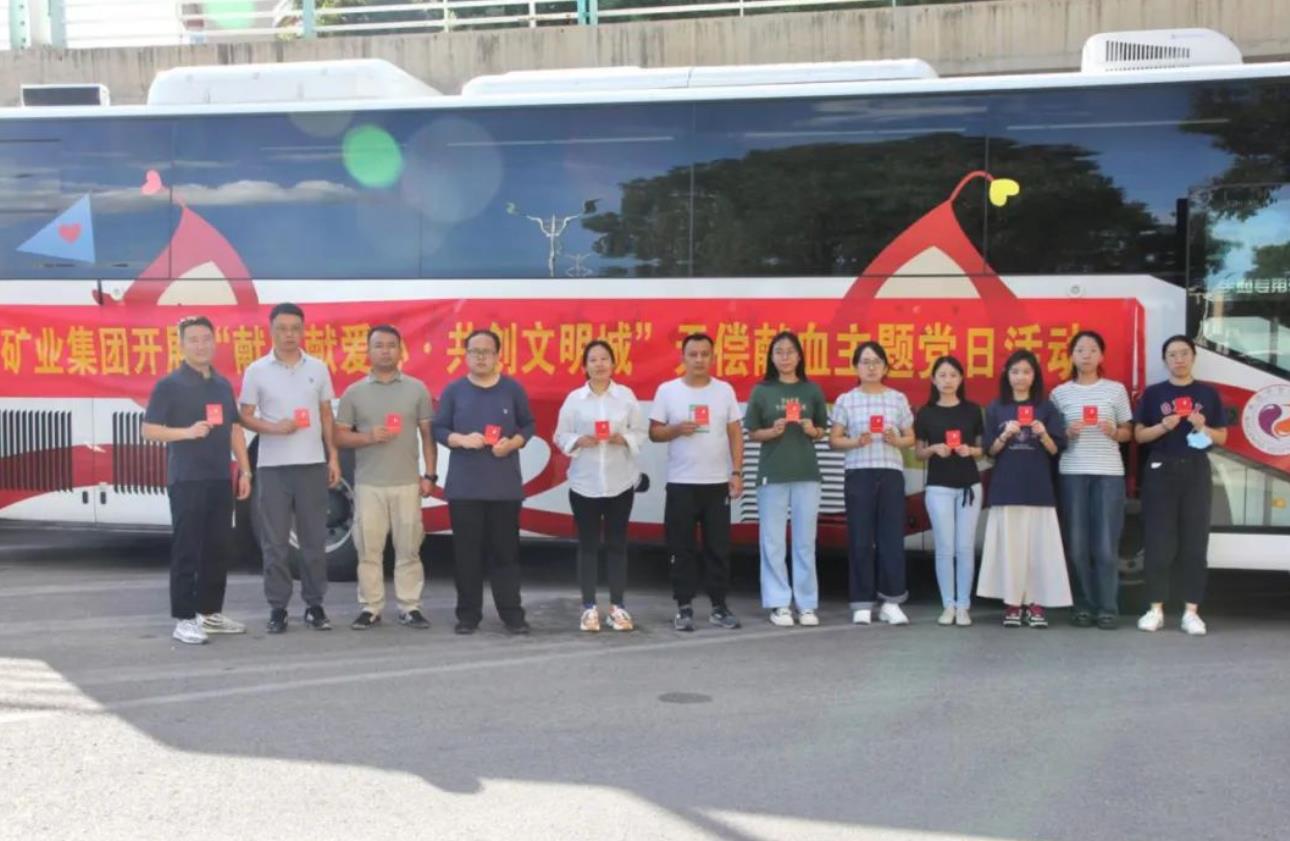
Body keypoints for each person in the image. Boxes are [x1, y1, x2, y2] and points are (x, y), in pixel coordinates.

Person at [142, 315, 252, 645]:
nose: (201, 345)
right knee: (187, 549)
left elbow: (234, 429)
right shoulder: (169, 385)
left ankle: (209, 613)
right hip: (186, 479)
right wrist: (186, 432)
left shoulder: (221, 384)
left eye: (206, 339)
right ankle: (184, 619)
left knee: (218, 548)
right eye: (193, 340)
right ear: (181, 345)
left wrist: (245, 470)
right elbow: (149, 430)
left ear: (215, 342)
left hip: (219, 478)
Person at [239, 302, 341, 634]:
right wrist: (273, 428)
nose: (289, 335)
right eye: (282, 329)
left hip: (311, 465)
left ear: (303, 330)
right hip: (273, 468)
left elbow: (326, 414)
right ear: (271, 331)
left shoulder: (318, 368)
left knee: (314, 541)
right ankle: (278, 607)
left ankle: (315, 605)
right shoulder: (257, 370)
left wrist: (333, 456)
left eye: (295, 328)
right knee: (275, 542)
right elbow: (244, 416)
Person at [433, 328, 534, 636]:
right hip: (465, 489)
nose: (480, 357)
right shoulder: (454, 391)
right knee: (467, 556)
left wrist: (513, 443)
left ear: (497, 356)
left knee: (506, 555)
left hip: (504, 489)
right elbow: (438, 428)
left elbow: (528, 425)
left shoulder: (512, 389)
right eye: (474, 352)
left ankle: (512, 615)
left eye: (486, 352)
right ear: (465, 356)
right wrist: (461, 439)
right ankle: (468, 615)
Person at [335, 325, 436, 631]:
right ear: (368, 351)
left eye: (391, 345)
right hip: (369, 485)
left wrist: (429, 475)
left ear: (400, 350)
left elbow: (427, 435)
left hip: (407, 483)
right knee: (368, 550)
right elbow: (339, 437)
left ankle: (410, 606)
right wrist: (368, 437)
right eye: (378, 345)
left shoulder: (417, 389)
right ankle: (370, 607)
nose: (385, 351)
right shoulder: (354, 393)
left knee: (409, 549)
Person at [649, 333, 744, 632]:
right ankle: (684, 606)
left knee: (718, 548)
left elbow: (735, 433)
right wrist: (676, 429)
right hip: (682, 483)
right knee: (682, 548)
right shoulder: (668, 391)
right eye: (693, 354)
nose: (699, 359)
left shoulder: (724, 391)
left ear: (713, 357)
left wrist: (737, 472)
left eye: (705, 354)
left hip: (716, 483)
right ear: (683, 358)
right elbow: (654, 433)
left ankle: (719, 606)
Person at [1133, 335, 1227, 636]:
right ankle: (1155, 609)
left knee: (1194, 544)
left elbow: (1222, 437)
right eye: (1172, 354)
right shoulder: (1154, 394)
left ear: (1193, 356)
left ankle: (1191, 612)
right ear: (1165, 360)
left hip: (1196, 469)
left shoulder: (1208, 393)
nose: (1179, 359)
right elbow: (1139, 436)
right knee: (1158, 543)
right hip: (1160, 469)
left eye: (1184, 353)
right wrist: (1163, 426)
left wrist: (1203, 426)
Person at [553, 340, 648, 632]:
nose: (599, 364)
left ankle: (618, 607)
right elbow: (560, 435)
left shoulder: (626, 397)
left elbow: (640, 431)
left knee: (618, 544)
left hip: (620, 483)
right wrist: (578, 441)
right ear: (585, 366)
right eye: (593, 360)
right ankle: (588, 608)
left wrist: (625, 439)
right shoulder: (575, 399)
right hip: (585, 484)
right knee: (588, 546)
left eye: (604, 358)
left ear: (613, 363)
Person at [977, 349, 1070, 628]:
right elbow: (990, 451)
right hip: (1007, 488)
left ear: (1034, 376)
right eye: (1015, 371)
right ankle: (1012, 603)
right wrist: (1005, 434)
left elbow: (1055, 450)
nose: (1020, 377)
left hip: (1038, 488)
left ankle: (1037, 603)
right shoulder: (996, 407)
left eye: (1026, 372)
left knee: (1039, 549)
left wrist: (1042, 433)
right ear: (1007, 375)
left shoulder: (1046, 408)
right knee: (1011, 549)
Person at [744, 331, 828, 627]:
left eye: (790, 351)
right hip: (773, 473)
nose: (785, 357)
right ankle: (779, 603)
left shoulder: (812, 390)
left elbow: (822, 430)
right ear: (771, 357)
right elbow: (753, 432)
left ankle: (807, 605)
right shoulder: (761, 391)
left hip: (806, 473)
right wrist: (773, 431)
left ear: (800, 355)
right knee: (773, 541)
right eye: (779, 351)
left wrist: (811, 430)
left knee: (805, 542)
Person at [1050, 330, 1133, 630]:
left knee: (1106, 546)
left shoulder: (1115, 390)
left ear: (1101, 356)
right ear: (1071, 356)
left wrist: (1114, 431)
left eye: (1093, 349)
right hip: (1072, 473)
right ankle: (1082, 605)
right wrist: (1067, 433)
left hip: (1109, 474)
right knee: (1077, 545)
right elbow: (1052, 438)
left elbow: (1129, 432)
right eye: (1080, 350)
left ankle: (1108, 607)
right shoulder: (1059, 394)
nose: (1086, 355)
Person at [829, 341, 915, 626]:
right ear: (856, 367)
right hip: (859, 473)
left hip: (890, 472)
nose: (871, 367)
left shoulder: (897, 398)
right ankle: (862, 602)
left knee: (891, 539)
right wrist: (856, 441)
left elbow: (910, 438)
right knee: (860, 538)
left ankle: (891, 602)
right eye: (865, 362)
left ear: (886, 367)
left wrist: (896, 440)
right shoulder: (846, 400)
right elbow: (834, 440)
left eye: (877, 361)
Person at [913, 356, 984, 628]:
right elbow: (919, 452)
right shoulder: (926, 413)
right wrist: (933, 449)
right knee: (945, 548)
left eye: (953, 375)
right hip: (938, 487)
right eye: (942, 375)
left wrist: (971, 450)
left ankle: (963, 605)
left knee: (964, 547)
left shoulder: (972, 411)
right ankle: (948, 605)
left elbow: (983, 449)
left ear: (961, 379)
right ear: (933, 380)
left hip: (969, 485)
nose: (947, 380)